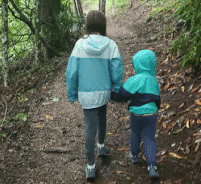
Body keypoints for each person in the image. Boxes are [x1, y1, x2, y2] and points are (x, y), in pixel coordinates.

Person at [66, 10, 123, 180]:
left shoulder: (79, 44)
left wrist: (72, 93)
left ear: (88, 25)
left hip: (86, 94)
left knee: (90, 127)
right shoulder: (110, 44)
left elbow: (71, 72)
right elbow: (116, 67)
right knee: (102, 116)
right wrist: (117, 87)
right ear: (103, 25)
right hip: (104, 91)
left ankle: (91, 166)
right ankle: (101, 146)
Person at [111, 49, 160, 180]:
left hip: (137, 114)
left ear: (137, 65)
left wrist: (111, 94)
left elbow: (123, 95)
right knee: (149, 139)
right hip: (151, 114)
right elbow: (157, 99)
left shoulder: (135, 80)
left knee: (135, 134)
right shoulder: (153, 80)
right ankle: (152, 167)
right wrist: (155, 110)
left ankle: (134, 155)